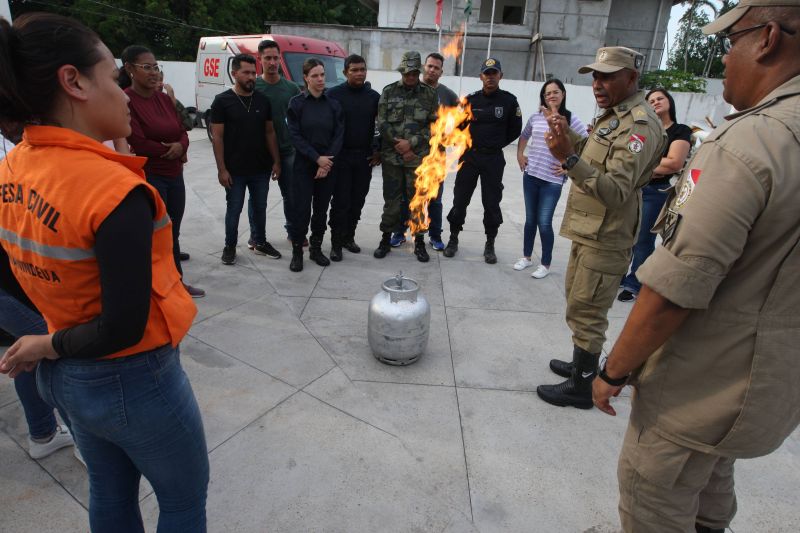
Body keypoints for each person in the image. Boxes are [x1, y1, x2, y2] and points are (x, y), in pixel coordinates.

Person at [592, 3, 800, 532]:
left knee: (654, 502)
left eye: (731, 43)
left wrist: (614, 370)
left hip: (697, 392)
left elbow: (674, 288)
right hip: (764, 390)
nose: (725, 58)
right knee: (709, 489)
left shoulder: (750, 142)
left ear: (768, 39)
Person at [0, 13, 209, 531]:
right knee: (183, 501)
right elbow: (123, 325)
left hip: (67, 377)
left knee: (111, 492)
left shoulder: (14, 166)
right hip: (135, 379)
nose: (124, 94)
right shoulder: (114, 193)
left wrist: (44, 340)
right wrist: (43, 344)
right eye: (114, 77)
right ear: (74, 82)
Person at [535, 46, 665, 409]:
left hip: (608, 233)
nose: (598, 83)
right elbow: (594, 158)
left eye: (608, 75)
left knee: (589, 310)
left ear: (632, 77)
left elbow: (617, 189)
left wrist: (567, 157)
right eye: (595, 75)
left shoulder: (639, 124)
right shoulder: (615, 116)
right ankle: (582, 366)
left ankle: (582, 387)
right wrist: (569, 137)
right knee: (578, 301)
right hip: (589, 227)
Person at [0, 131, 75, 461]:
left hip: (19, 279)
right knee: (61, 350)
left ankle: (43, 434)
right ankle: (87, 443)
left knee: (31, 351)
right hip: (8, 285)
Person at [122, 45, 205, 297]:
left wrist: (181, 146)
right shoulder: (126, 99)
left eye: (156, 66)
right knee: (155, 235)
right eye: (146, 67)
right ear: (129, 69)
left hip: (174, 174)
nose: (154, 72)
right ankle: (157, 285)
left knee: (173, 231)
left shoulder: (163, 98)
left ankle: (175, 281)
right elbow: (137, 140)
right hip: (151, 176)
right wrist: (168, 150)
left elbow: (182, 128)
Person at [442, 58, 522, 264]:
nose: (490, 77)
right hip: (470, 156)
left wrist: (496, 144)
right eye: (487, 73)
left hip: (493, 159)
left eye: (494, 73)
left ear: (500, 76)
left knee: (492, 203)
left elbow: (515, 130)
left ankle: (490, 244)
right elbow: (458, 127)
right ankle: (453, 238)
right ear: (481, 77)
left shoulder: (509, 101)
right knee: (460, 200)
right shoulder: (470, 100)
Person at [617, 88, 691, 301]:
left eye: (660, 98)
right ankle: (621, 276)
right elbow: (628, 156)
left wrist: (644, 163)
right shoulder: (644, 129)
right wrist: (654, 163)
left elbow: (675, 163)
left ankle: (634, 283)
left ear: (670, 102)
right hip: (633, 188)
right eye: (651, 100)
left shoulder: (680, 130)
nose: (656, 102)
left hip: (655, 192)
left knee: (642, 240)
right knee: (625, 236)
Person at [210, 53, 281, 265]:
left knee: (260, 208)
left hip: (260, 168)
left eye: (253, 72)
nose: (251, 77)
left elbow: (270, 132)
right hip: (234, 171)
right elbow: (218, 138)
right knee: (234, 209)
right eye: (246, 72)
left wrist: (276, 161)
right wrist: (222, 169)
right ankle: (230, 246)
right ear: (234, 74)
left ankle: (260, 242)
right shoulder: (222, 101)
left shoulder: (263, 100)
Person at [515, 79, 587, 278]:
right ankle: (526, 257)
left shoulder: (571, 120)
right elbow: (524, 136)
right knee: (530, 220)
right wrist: (520, 154)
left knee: (544, 222)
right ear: (543, 97)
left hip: (552, 181)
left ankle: (545, 264)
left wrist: (567, 168)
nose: (552, 95)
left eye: (556, 92)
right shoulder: (536, 117)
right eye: (547, 93)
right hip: (531, 176)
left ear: (563, 94)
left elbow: (586, 146)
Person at [373, 51, 438, 262]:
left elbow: (433, 126)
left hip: (417, 159)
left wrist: (411, 144)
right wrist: (398, 144)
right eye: (406, 72)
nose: (409, 76)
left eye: (413, 73)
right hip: (392, 158)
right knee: (391, 201)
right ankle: (385, 239)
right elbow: (381, 122)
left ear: (418, 72)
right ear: (402, 71)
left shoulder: (429, 94)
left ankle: (419, 242)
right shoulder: (389, 91)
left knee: (418, 202)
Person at [286, 58, 345, 272]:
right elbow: (295, 135)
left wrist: (325, 161)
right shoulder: (296, 103)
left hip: (327, 167)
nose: (320, 79)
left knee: (320, 211)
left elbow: (339, 135)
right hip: (303, 166)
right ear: (306, 78)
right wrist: (316, 158)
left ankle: (316, 249)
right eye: (315, 76)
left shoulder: (334, 105)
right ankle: (297, 252)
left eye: (322, 75)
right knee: (300, 211)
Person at [327, 54, 381, 262]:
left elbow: (380, 127)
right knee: (340, 202)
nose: (359, 73)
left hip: (364, 159)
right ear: (345, 73)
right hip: (341, 158)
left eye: (362, 69)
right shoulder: (333, 95)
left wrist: (378, 150)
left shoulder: (374, 97)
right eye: (354, 70)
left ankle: (349, 237)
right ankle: (336, 243)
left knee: (357, 201)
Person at [252, 39, 304, 248]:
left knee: (291, 195)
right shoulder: (253, 86)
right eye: (268, 58)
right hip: (259, 152)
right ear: (260, 59)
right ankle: (256, 236)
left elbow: (301, 119)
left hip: (288, 150)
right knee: (258, 198)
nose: (272, 62)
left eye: (276, 58)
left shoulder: (291, 88)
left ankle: (293, 232)